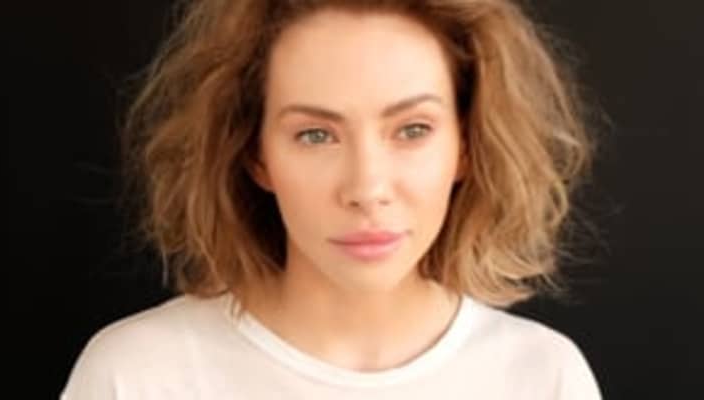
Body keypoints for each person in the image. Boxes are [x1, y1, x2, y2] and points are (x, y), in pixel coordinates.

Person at [61, 0, 602, 398]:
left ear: (466, 145)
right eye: (316, 135)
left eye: (413, 129)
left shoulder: (544, 376)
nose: (367, 189)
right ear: (255, 155)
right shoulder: (136, 376)